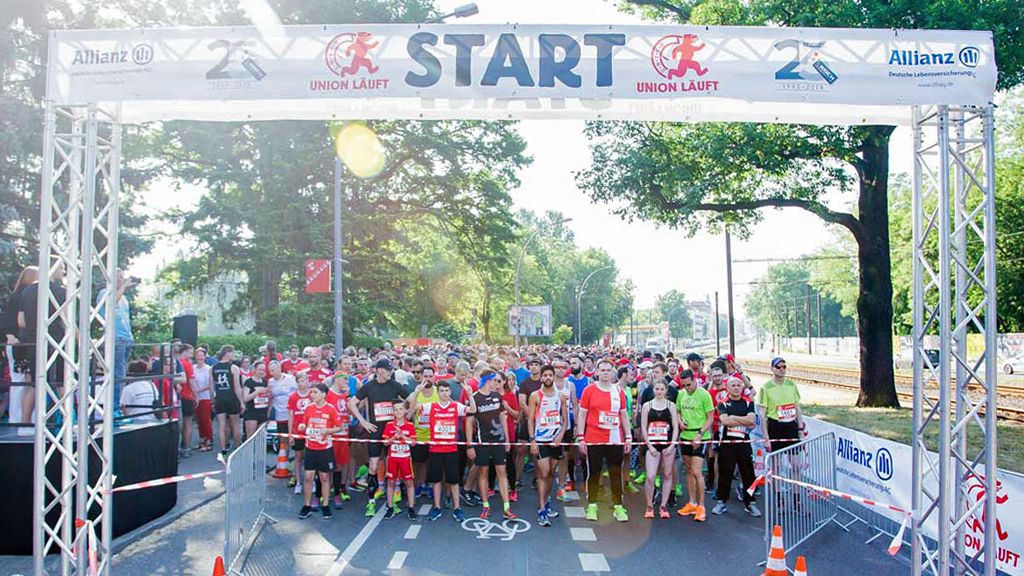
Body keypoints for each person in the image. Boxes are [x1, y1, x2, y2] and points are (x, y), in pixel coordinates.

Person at [348, 358, 408, 517]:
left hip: (392, 431)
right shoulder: (369, 386)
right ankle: (371, 502)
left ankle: (393, 500)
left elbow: (410, 400)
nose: (391, 372)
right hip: (375, 431)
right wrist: (363, 421)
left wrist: (403, 419)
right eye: (388, 370)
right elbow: (351, 403)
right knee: (373, 466)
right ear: (380, 371)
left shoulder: (394, 385)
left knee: (393, 465)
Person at [410, 380, 475, 522]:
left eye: (447, 391)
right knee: (436, 480)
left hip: (451, 449)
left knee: (454, 480)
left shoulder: (455, 406)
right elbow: (414, 406)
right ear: (437, 392)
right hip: (435, 449)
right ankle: (437, 507)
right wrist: (417, 391)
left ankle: (457, 508)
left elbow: (472, 410)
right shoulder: (431, 406)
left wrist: (470, 395)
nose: (444, 393)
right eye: (441, 391)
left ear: (450, 392)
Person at [578, 358, 632, 522]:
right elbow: (582, 414)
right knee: (594, 473)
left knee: (616, 473)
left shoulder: (619, 392)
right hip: (594, 439)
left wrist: (628, 437)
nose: (606, 373)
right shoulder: (589, 390)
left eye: (608, 370)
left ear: (613, 372)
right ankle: (592, 505)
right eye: (603, 370)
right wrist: (581, 437)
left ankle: (618, 506)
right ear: (597, 372)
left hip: (615, 439)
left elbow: (624, 415)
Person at [466, 369, 518, 521]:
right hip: (483, 442)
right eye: (495, 380)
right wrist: (469, 445)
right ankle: (485, 506)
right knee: (483, 474)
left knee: (502, 474)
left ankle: (506, 508)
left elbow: (503, 417)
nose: (498, 383)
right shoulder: (474, 398)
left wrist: (507, 439)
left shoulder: (497, 396)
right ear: (487, 381)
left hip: (499, 441)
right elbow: (469, 422)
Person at [713, 376, 761, 517]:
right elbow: (725, 421)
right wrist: (741, 420)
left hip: (744, 444)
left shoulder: (748, 402)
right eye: (733, 385)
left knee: (748, 474)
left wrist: (733, 418)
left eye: (738, 385)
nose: (736, 388)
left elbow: (752, 421)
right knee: (725, 473)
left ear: (742, 387)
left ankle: (750, 503)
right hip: (727, 444)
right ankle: (721, 502)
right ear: (728, 388)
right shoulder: (723, 403)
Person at [527, 364, 567, 526]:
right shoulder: (535, 396)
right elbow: (530, 420)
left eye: (551, 375)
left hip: (555, 440)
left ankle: (547, 502)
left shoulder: (561, 396)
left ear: (554, 376)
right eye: (546, 376)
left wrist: (561, 436)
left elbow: (565, 420)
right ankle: (542, 509)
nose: (548, 378)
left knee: (551, 473)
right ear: (541, 378)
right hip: (541, 440)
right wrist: (532, 440)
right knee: (543, 473)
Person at [298, 383, 343, 520]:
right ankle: (307, 505)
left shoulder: (331, 409)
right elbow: (304, 423)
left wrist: (328, 431)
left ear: (323, 394)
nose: (312, 395)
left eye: (315, 392)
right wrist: (302, 426)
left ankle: (325, 505)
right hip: (310, 448)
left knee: (324, 477)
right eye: (312, 392)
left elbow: (339, 427)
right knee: (308, 477)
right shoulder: (308, 408)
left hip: (325, 449)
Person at [675, 369, 715, 522]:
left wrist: (700, 433)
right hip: (685, 436)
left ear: (695, 380)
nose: (687, 388)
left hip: (700, 436)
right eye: (684, 385)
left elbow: (710, 417)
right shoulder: (681, 394)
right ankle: (692, 502)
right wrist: (679, 421)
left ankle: (701, 506)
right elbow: (678, 411)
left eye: (689, 384)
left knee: (697, 471)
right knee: (689, 470)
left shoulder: (704, 394)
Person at [1, 266, 37, 424]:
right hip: (18, 345)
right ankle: (17, 419)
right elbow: (9, 321)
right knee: (20, 382)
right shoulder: (18, 297)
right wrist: (10, 335)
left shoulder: (24, 296)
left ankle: (27, 419)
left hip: (26, 344)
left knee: (29, 383)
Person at [640, 379, 681, 519]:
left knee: (668, 474)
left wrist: (672, 444)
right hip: (652, 444)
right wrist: (649, 446)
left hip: (667, 443)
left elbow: (676, 426)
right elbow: (643, 427)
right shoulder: (647, 406)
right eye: (657, 389)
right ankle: (649, 505)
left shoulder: (671, 406)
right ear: (653, 390)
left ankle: (663, 506)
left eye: (662, 389)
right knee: (651, 476)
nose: (659, 392)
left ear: (666, 390)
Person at [96, 270, 136, 411]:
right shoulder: (104, 292)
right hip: (115, 338)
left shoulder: (124, 298)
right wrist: (123, 287)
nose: (120, 280)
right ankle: (113, 409)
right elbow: (111, 304)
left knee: (122, 375)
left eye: (121, 277)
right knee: (117, 375)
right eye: (117, 277)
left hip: (126, 338)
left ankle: (117, 406)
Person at [382, 402, 417, 520]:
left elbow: (413, 443)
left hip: (405, 459)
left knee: (409, 483)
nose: (398, 412)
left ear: (406, 411)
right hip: (392, 458)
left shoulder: (410, 425)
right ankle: (390, 507)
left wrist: (402, 436)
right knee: (391, 482)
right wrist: (393, 438)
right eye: (395, 409)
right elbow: (385, 443)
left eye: (401, 409)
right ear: (393, 412)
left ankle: (411, 508)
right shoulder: (389, 425)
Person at [410, 364, 440, 499]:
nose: (427, 379)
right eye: (425, 376)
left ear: (434, 377)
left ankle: (432, 486)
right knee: (418, 463)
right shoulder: (415, 393)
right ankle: (419, 485)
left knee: (433, 463)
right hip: (419, 435)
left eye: (430, 376)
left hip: (435, 436)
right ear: (421, 377)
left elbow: (451, 406)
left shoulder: (439, 392)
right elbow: (407, 413)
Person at [326, 368, 354, 508]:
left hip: (344, 434)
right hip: (333, 435)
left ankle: (339, 489)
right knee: (331, 465)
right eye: (344, 379)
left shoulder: (344, 395)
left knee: (341, 464)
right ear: (337, 379)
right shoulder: (329, 394)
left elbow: (350, 410)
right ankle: (328, 489)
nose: (346, 382)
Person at [551, 358, 578, 500]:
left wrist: (577, 425)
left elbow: (574, 405)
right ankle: (545, 486)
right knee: (550, 459)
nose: (561, 369)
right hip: (550, 427)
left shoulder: (570, 385)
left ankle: (561, 487)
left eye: (563, 367)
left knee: (565, 457)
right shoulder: (549, 384)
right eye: (558, 367)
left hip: (566, 426)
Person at [211, 345, 244, 455]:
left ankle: (223, 449)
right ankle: (237, 446)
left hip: (219, 398)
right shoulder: (234, 368)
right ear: (227, 353)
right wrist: (242, 402)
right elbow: (237, 387)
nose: (234, 355)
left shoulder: (213, 368)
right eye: (233, 353)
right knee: (235, 423)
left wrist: (213, 400)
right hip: (231, 397)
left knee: (221, 424)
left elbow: (211, 387)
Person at [288, 371, 314, 496]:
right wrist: (290, 434)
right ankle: (298, 482)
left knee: (310, 457)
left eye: (303, 381)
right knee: (298, 457)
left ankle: (312, 481)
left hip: (310, 431)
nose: (301, 383)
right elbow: (291, 415)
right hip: (298, 432)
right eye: (299, 381)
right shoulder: (293, 397)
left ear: (307, 382)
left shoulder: (312, 395)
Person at [174, 344, 196, 456]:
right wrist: (196, 396)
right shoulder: (187, 364)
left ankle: (179, 447)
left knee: (178, 422)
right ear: (185, 351)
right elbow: (191, 382)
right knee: (188, 423)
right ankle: (186, 448)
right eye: (191, 352)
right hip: (187, 396)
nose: (192, 355)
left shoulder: (175, 363)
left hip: (177, 397)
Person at [191, 347, 214, 452]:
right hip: (196, 397)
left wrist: (198, 390)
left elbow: (210, 384)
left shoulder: (209, 368)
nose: (200, 357)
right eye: (198, 355)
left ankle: (209, 441)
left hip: (205, 396)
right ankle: (202, 440)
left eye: (202, 355)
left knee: (206, 419)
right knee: (199, 420)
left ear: (205, 356)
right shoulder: (193, 367)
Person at [241, 361, 270, 439]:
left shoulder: (265, 382)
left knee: (261, 439)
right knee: (251, 438)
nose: (261, 372)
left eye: (263, 370)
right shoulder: (249, 382)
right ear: (255, 369)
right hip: (252, 412)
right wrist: (257, 392)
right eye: (260, 369)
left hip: (263, 412)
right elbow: (245, 398)